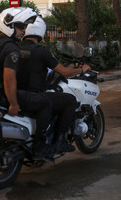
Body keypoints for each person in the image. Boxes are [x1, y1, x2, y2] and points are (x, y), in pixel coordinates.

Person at [0, 7, 52, 159]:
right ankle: (40, 145)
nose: (23, 30)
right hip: (2, 96)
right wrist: (13, 104)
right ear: (9, 25)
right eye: (20, 26)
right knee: (45, 102)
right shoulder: (11, 48)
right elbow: (9, 79)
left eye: (24, 27)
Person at [18, 16, 92, 154]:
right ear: (40, 32)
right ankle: (60, 141)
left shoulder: (14, 48)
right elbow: (63, 71)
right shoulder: (41, 51)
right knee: (70, 100)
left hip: (17, 94)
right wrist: (81, 69)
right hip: (34, 96)